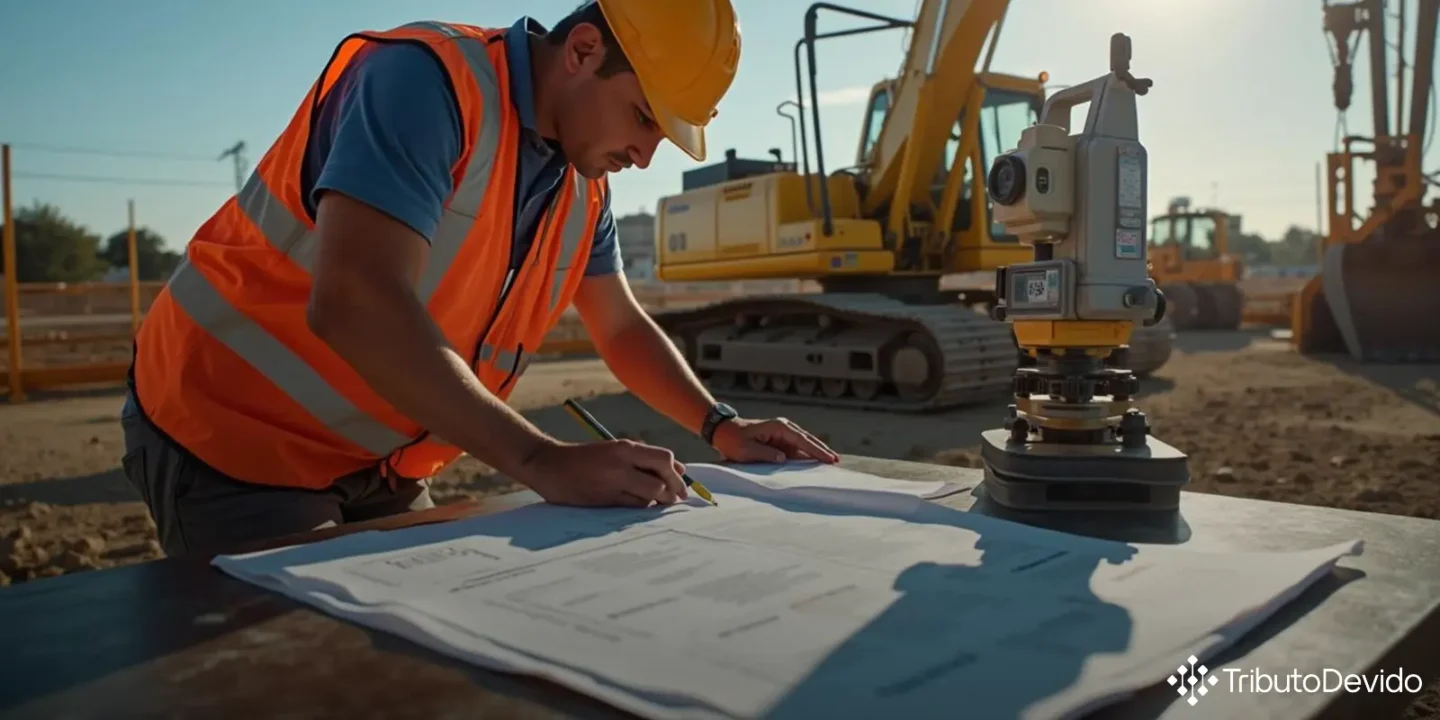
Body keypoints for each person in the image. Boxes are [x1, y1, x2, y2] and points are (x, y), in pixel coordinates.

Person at [118, 0, 839, 558]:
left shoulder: (582, 184)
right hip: (235, 430)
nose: (647, 156)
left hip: (383, 460)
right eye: (644, 118)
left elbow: (619, 326)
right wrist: (541, 460)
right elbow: (355, 300)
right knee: (312, 673)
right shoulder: (425, 82)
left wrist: (721, 426)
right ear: (583, 52)